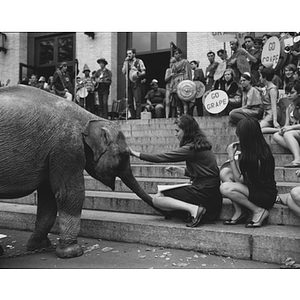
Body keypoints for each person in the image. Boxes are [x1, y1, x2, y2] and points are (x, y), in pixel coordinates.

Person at [130, 115, 222, 227]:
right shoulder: (201, 145)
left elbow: (161, 157)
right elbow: (207, 173)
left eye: (177, 131)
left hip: (204, 191)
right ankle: (194, 210)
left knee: (158, 199)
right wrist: (182, 171)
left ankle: (194, 209)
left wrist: (135, 153)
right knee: (163, 200)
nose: (176, 134)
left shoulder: (191, 148)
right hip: (211, 193)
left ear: (187, 131)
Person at [220, 117, 277, 227]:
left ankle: (258, 211)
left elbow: (239, 179)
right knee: (225, 173)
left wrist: (232, 157)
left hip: (265, 196)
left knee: (225, 188)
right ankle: (239, 211)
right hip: (257, 188)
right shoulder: (260, 149)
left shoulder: (255, 158)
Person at [273, 85, 300, 168]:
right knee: (276, 135)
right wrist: (283, 129)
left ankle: (298, 159)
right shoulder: (289, 107)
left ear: (299, 94)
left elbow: (290, 127)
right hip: (295, 133)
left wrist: (290, 128)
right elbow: (287, 124)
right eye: (287, 93)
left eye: (292, 93)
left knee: (288, 134)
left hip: (296, 131)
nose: (289, 95)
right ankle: (296, 149)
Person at [122, 48, 146, 119]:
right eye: (127, 54)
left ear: (134, 54)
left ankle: (138, 117)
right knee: (129, 102)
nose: (128, 55)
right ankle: (133, 116)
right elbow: (123, 72)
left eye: (130, 53)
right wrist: (125, 63)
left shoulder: (139, 61)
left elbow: (144, 72)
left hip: (136, 83)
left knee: (137, 101)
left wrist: (138, 74)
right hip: (128, 83)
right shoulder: (126, 62)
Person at [169, 48, 192, 116]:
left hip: (183, 80)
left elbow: (188, 72)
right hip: (175, 81)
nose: (175, 55)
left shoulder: (185, 61)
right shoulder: (173, 64)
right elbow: (172, 74)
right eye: (174, 54)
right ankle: (178, 115)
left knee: (184, 99)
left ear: (180, 54)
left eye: (176, 53)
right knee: (176, 100)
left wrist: (187, 82)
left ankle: (186, 114)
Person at [259, 68, 280, 133]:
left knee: (258, 129)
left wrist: (275, 121)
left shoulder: (272, 89)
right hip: (267, 113)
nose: (259, 78)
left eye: (260, 76)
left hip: (272, 113)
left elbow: (274, 106)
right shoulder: (266, 87)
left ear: (264, 77)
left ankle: (279, 130)